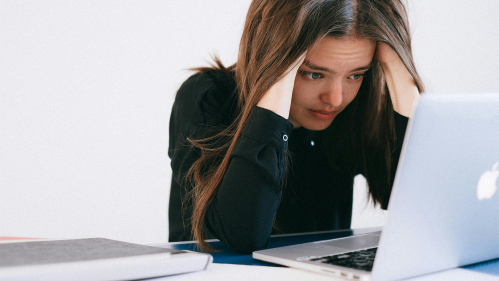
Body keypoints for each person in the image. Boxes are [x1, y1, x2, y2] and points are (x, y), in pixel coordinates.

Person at [168, 0, 424, 254]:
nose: (335, 99)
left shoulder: (354, 109)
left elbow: (423, 211)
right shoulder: (207, 97)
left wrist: (401, 72)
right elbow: (243, 235)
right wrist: (275, 81)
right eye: (314, 74)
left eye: (355, 75)